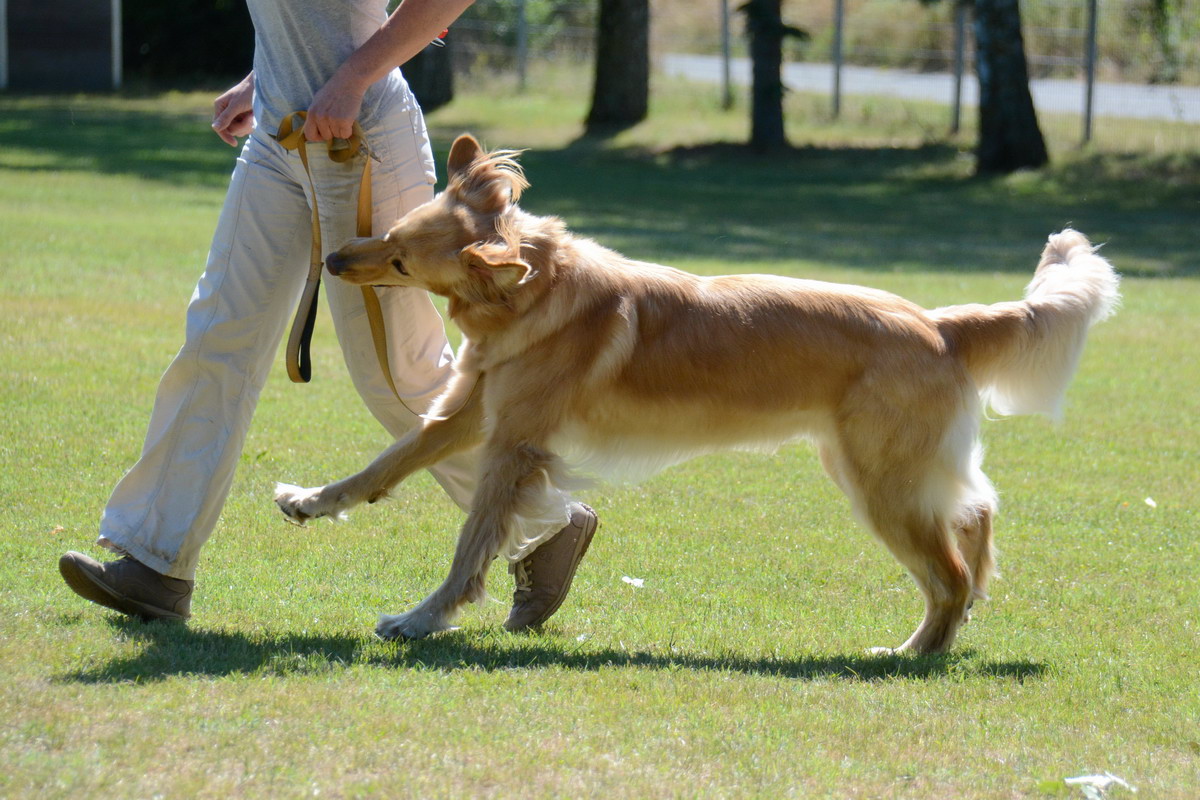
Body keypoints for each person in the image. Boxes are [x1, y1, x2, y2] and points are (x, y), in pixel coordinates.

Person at [58, 0, 597, 633]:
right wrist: (264, 80)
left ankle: (544, 526)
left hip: (361, 138)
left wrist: (351, 79)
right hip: (278, 137)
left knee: (397, 377)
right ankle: (155, 561)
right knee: (216, 339)